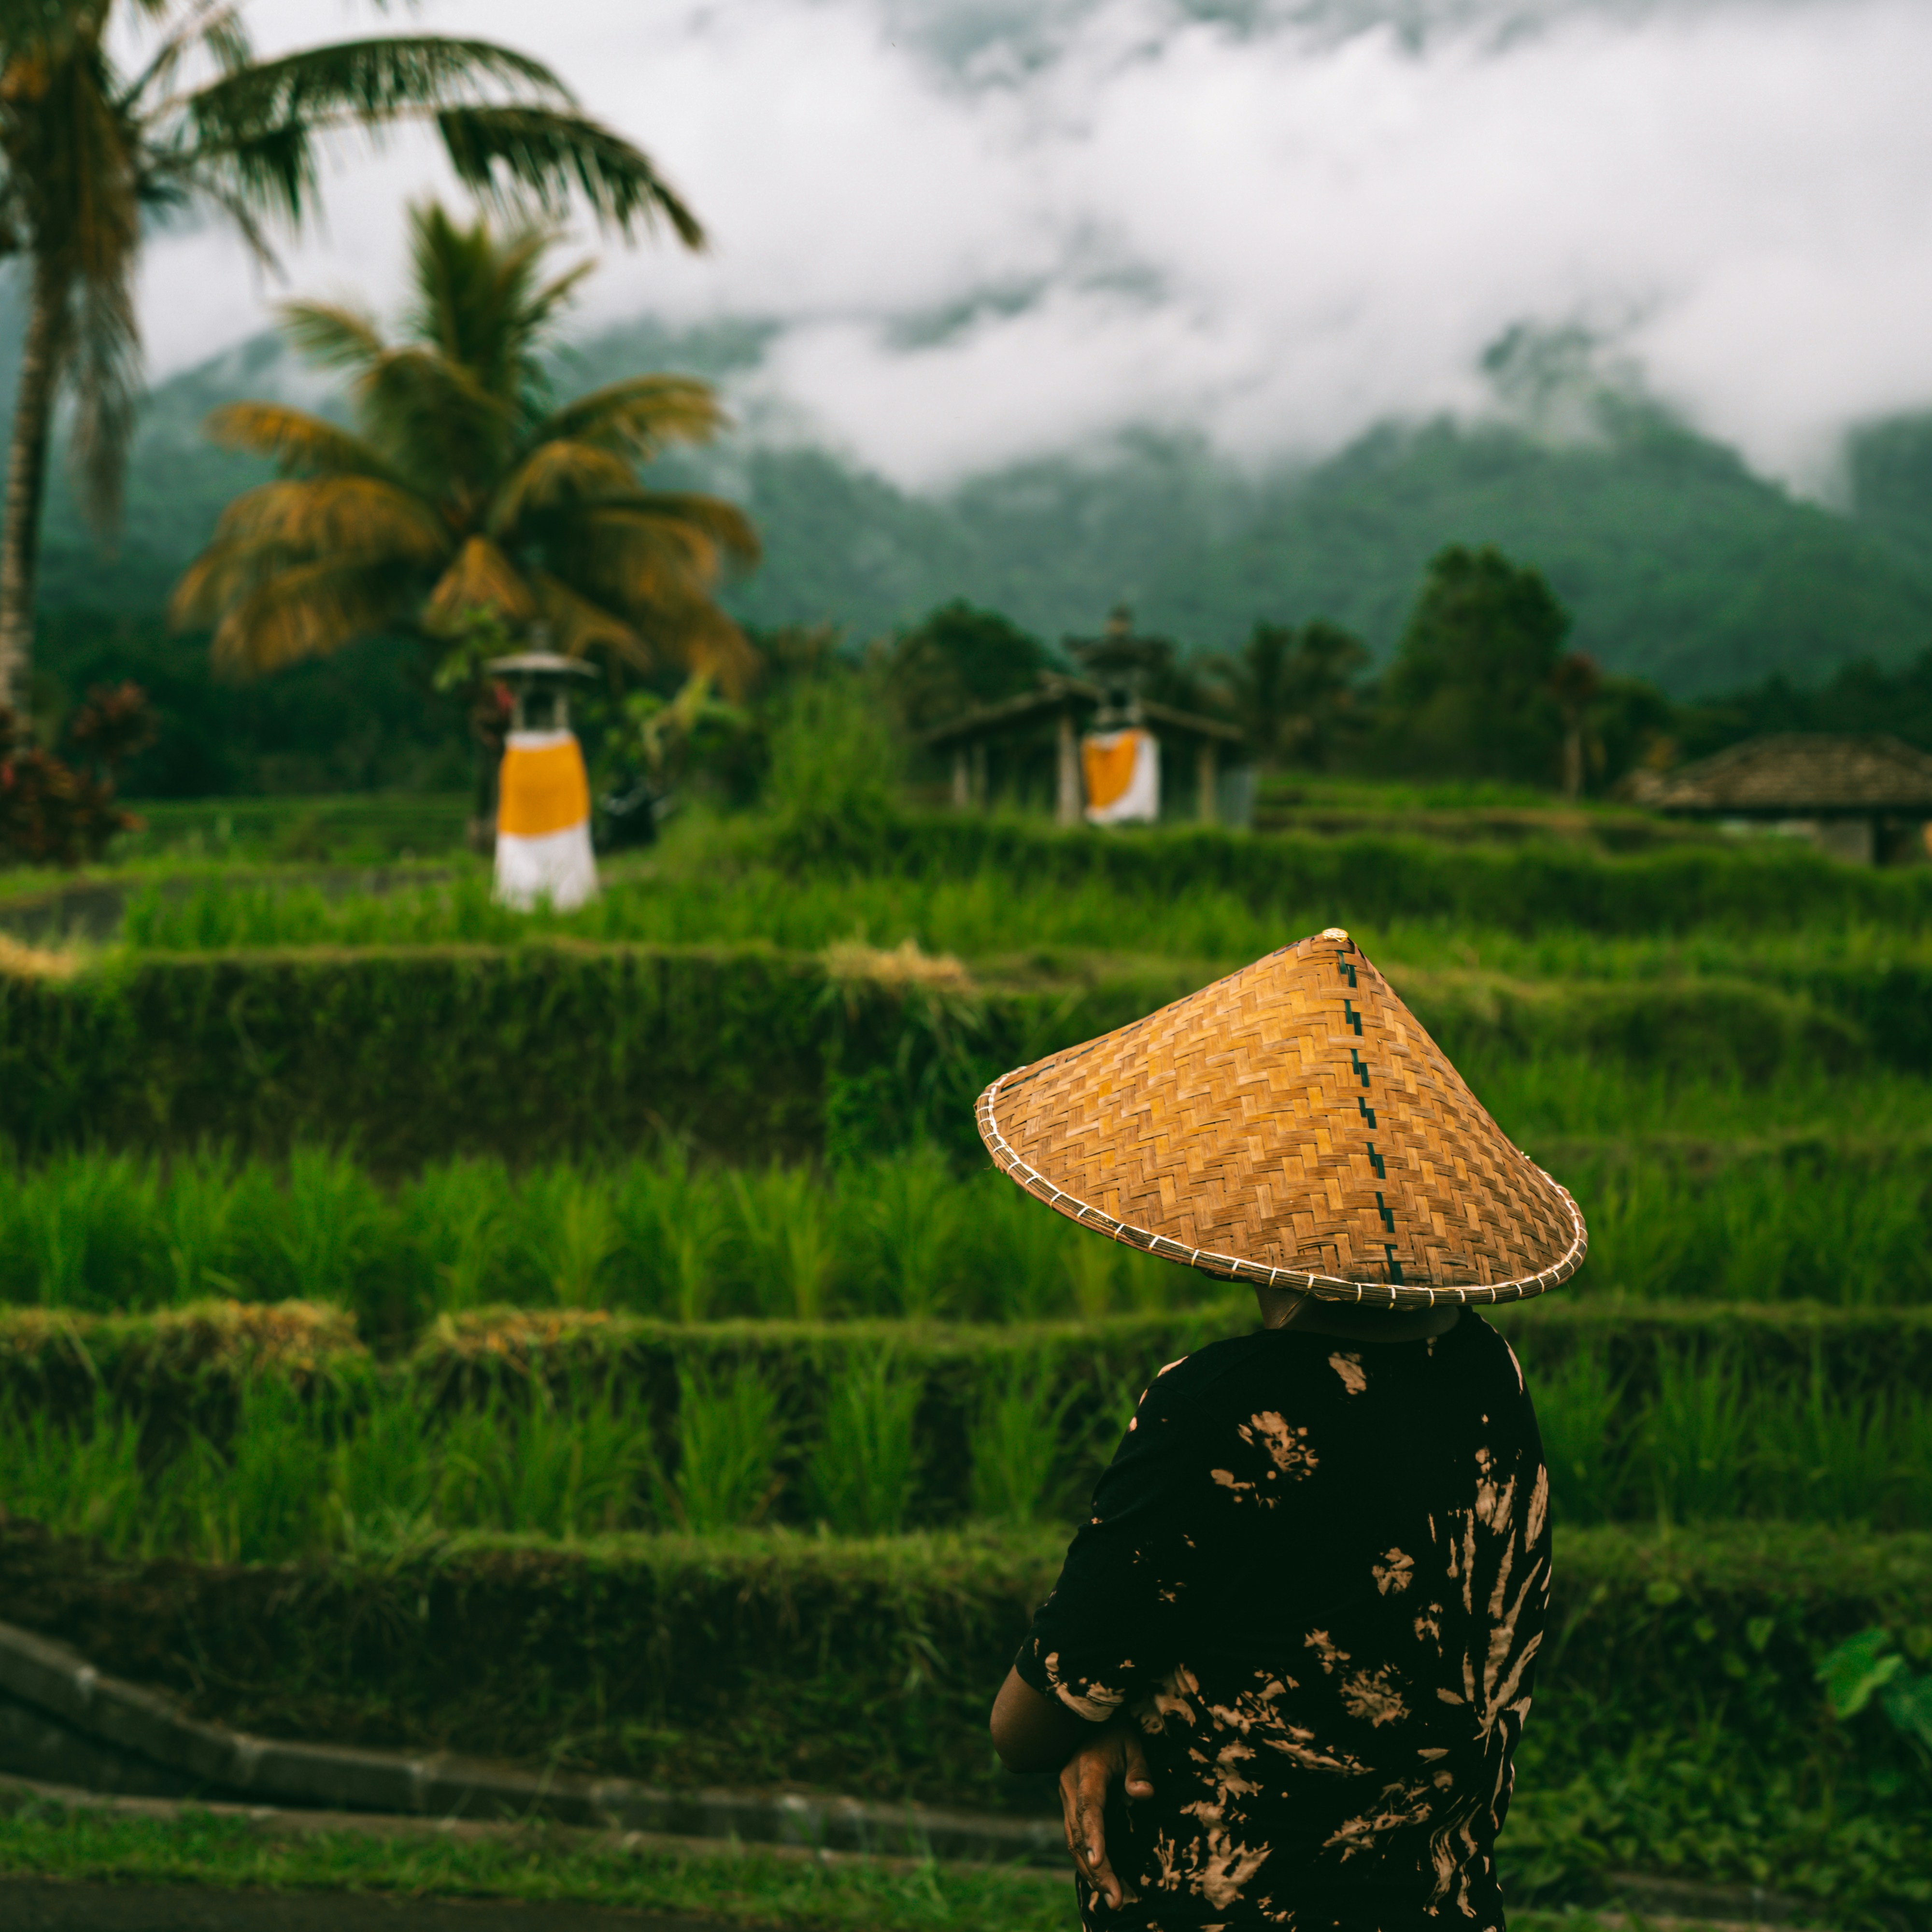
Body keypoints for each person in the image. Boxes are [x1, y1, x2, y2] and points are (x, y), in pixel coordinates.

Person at [981, 929, 1586, 1931]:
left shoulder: (1222, 1405)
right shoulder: (1486, 1372)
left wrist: (1104, 1722)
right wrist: (1127, 1717)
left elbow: (1026, 1720)